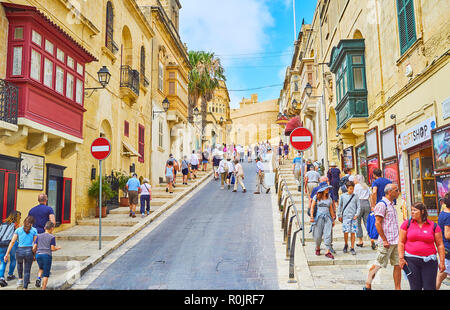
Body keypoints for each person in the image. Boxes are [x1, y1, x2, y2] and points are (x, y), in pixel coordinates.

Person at [398, 202, 445, 290]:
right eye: (411, 210)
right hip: (411, 261)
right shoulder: (406, 224)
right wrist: (401, 258)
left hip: (429, 262)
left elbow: (440, 245)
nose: (412, 212)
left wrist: (442, 262)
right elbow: (401, 242)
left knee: (429, 287)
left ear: (422, 211)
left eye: (415, 210)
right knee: (415, 287)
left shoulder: (434, 226)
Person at [364, 183, 401, 290]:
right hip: (386, 242)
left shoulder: (392, 204)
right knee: (378, 264)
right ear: (390, 192)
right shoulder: (382, 204)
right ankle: (368, 284)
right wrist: (384, 240)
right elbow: (377, 223)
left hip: (395, 240)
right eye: (396, 190)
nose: (398, 192)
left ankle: (398, 288)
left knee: (398, 265)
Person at [4, 216, 37, 290]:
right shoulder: (34, 230)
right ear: (32, 223)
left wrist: (6, 254)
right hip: (29, 251)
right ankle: (25, 287)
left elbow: (12, 242)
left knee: (19, 265)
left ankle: (20, 280)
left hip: (19, 250)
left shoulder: (18, 230)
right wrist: (34, 254)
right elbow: (35, 244)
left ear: (24, 222)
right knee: (27, 270)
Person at [310, 185, 336, 259]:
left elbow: (331, 209)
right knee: (317, 235)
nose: (327, 190)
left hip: (328, 218)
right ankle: (317, 247)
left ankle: (328, 251)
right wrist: (312, 216)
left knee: (328, 234)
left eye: (328, 188)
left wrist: (333, 219)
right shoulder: (316, 197)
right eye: (326, 188)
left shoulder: (329, 198)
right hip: (318, 218)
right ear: (322, 189)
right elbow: (312, 207)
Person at [33, 221, 61, 290]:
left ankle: (38, 278)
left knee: (41, 268)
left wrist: (34, 254)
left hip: (38, 255)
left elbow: (34, 247)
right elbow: (52, 249)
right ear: (52, 228)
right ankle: (43, 288)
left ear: (44, 228)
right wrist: (57, 248)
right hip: (46, 256)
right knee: (46, 274)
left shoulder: (38, 236)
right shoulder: (52, 237)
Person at [337, 181, 361, 255]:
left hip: (353, 217)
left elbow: (358, 207)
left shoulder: (356, 196)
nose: (351, 190)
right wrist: (339, 215)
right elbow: (340, 206)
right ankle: (346, 244)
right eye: (350, 188)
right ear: (347, 188)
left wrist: (357, 214)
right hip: (345, 217)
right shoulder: (343, 196)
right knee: (346, 232)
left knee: (353, 232)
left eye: (352, 189)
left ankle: (352, 247)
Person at [354, 175, 376, 249]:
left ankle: (360, 241)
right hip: (366, 204)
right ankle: (372, 239)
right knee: (367, 222)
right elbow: (371, 196)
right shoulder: (366, 186)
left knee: (358, 222)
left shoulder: (356, 187)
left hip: (359, 203)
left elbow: (354, 197)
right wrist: (372, 205)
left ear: (358, 179)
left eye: (355, 178)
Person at [0, 211, 21, 287]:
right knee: (13, 259)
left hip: (1, 243)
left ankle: (1, 278)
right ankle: (10, 275)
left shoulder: (3, 223)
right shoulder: (16, 225)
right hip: (12, 243)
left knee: (3, 261)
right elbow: (18, 236)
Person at [436, 192, 450, 290]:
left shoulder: (443, 212)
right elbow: (447, 234)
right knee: (442, 274)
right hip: (448, 248)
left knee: (442, 274)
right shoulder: (448, 216)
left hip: (445, 247)